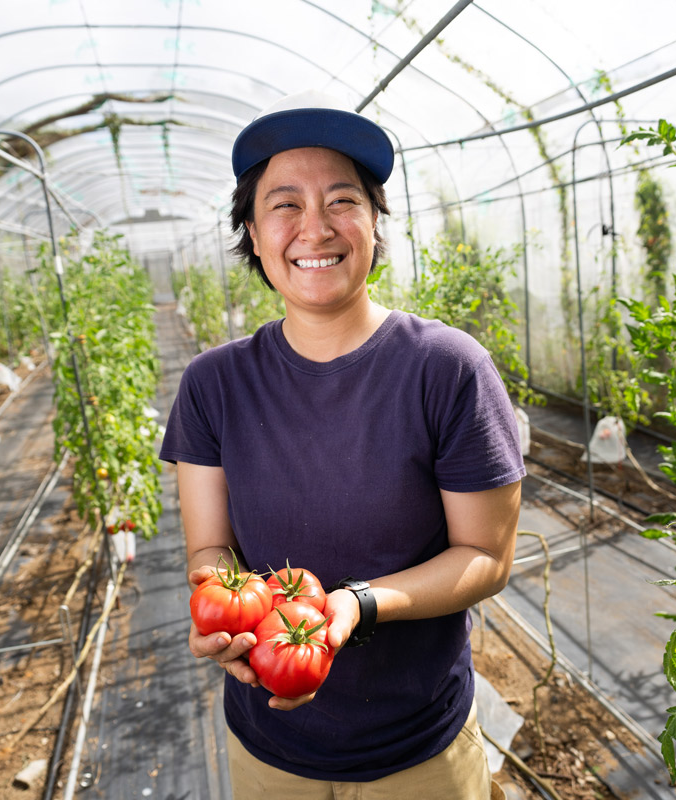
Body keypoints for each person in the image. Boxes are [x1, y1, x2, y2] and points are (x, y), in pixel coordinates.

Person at [159, 89, 525, 798]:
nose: (315, 228)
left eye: (343, 201)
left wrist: (361, 602)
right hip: (268, 747)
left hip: (419, 750)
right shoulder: (212, 384)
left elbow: (486, 556)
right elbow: (208, 550)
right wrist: (224, 612)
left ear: (376, 225)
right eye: (285, 204)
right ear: (253, 233)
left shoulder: (447, 369)